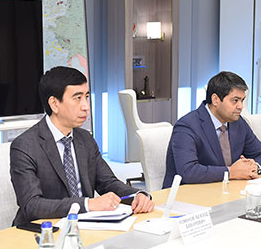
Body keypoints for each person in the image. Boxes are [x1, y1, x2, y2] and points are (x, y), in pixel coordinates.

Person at [11, 66, 154, 227]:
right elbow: (32, 205)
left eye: (86, 97)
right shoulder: (25, 146)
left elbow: (108, 182)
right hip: (44, 230)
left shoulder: (85, 139)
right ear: (54, 104)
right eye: (77, 98)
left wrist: (137, 195)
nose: (86, 106)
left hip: (86, 225)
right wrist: (87, 204)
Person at [163, 71, 261, 188]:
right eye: (235, 100)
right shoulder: (187, 126)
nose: (240, 106)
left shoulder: (238, 123)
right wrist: (231, 172)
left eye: (242, 100)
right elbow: (188, 172)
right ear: (215, 99)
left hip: (225, 191)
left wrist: (254, 167)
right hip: (185, 195)